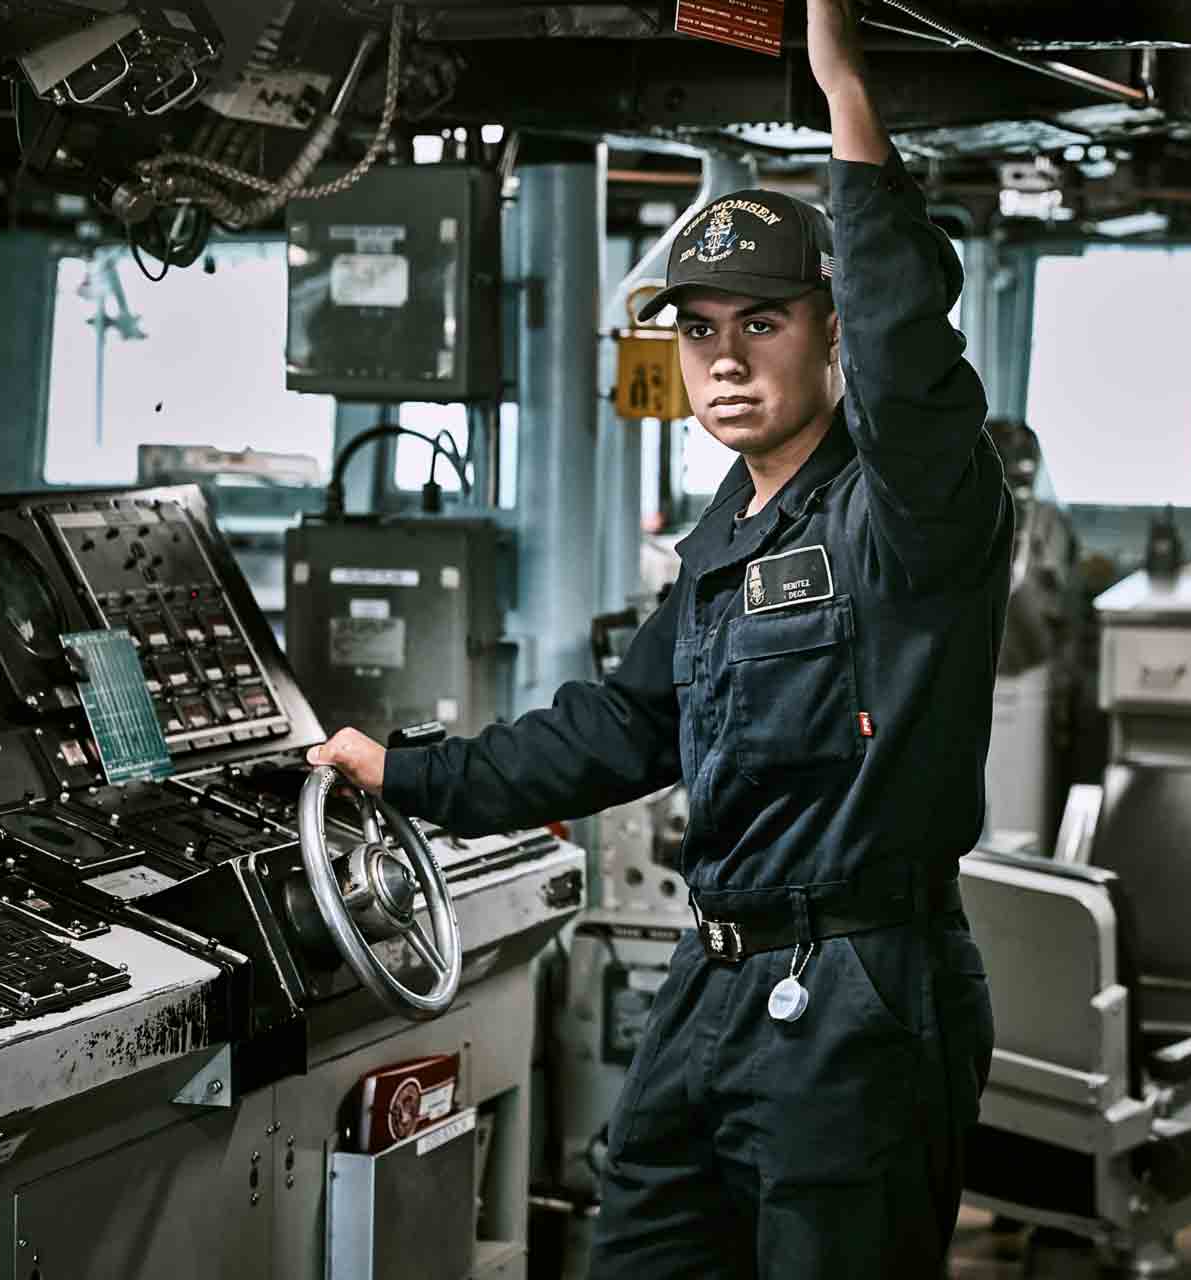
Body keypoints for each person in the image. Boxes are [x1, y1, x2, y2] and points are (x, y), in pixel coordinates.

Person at [308, 0, 1011, 1271]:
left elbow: (913, 360)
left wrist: (844, 93)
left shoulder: (908, 512)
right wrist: (407, 770)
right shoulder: (727, 538)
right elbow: (627, 727)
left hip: (858, 991)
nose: (725, 359)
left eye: (764, 322)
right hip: (715, 978)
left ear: (834, 327)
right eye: (698, 330)